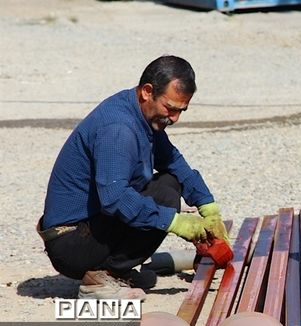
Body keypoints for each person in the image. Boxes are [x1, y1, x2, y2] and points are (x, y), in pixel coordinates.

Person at [37, 55, 229, 300]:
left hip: (91, 228)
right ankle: (100, 279)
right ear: (147, 91)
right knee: (164, 197)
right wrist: (177, 223)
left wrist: (208, 207)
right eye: (170, 108)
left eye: (181, 111)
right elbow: (115, 199)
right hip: (71, 242)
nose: (174, 118)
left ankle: (118, 270)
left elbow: (173, 161)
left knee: (169, 182)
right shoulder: (118, 128)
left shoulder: (141, 114)